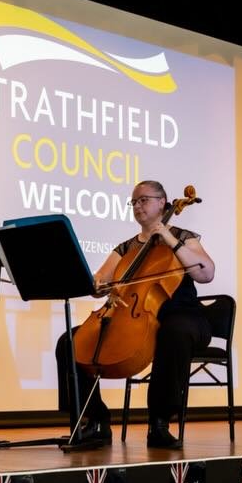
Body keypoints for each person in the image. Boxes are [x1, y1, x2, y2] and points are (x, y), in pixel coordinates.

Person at [55, 180, 217, 449]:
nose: (138, 206)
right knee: (68, 342)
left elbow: (206, 272)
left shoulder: (183, 237)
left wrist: (167, 237)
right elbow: (99, 282)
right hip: (134, 316)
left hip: (183, 315)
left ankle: (159, 423)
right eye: (134, 202)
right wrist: (94, 283)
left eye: (144, 200)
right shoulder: (126, 248)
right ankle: (95, 420)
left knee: (173, 333)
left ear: (163, 202)